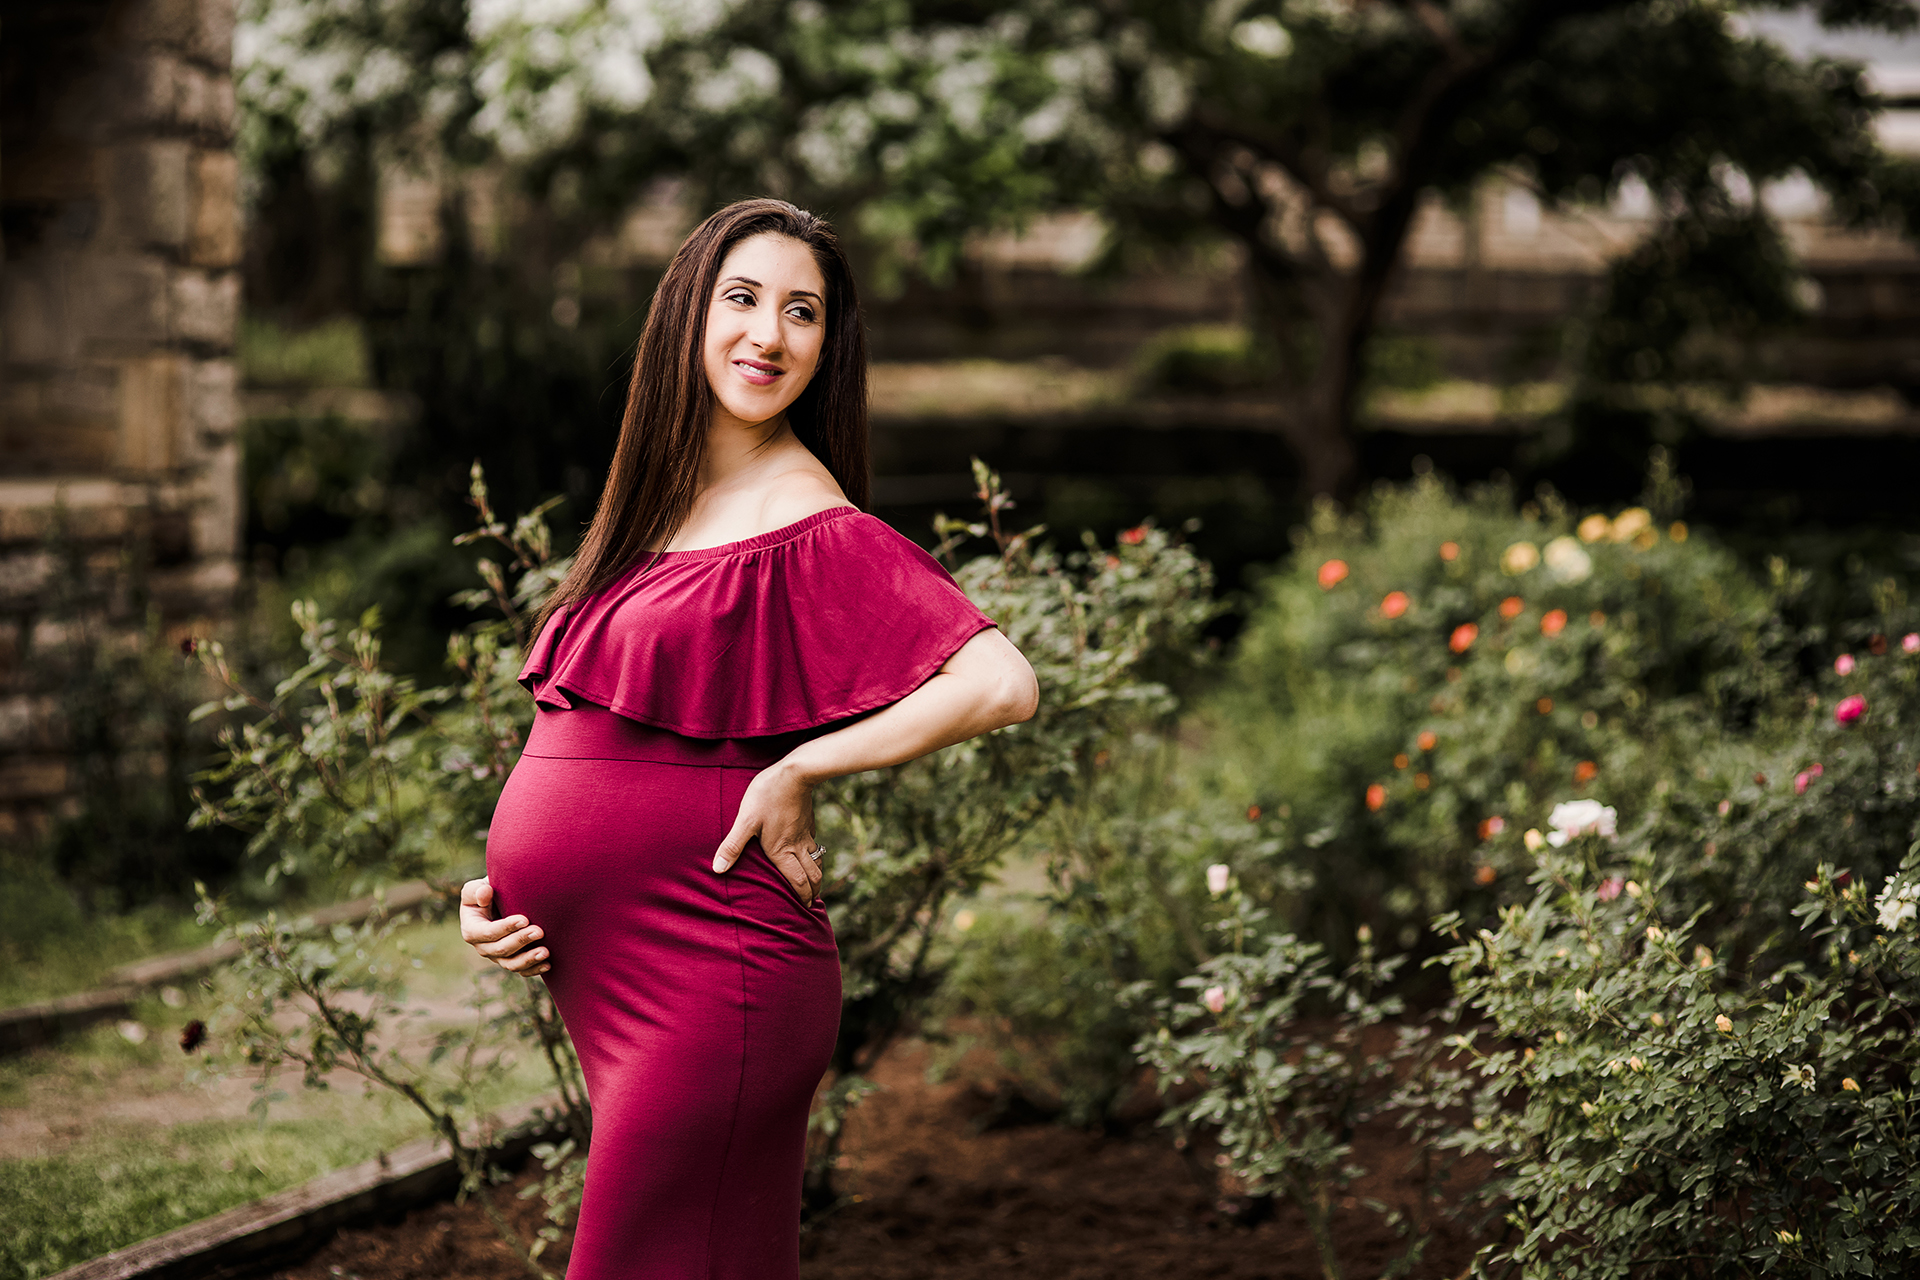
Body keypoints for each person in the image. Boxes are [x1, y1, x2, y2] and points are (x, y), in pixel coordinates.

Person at [457, 198, 1039, 1280]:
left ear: (830, 346)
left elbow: (1002, 681)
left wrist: (804, 764)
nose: (768, 334)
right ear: (689, 312)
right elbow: (596, 741)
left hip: (713, 976)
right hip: (618, 981)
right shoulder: (656, 506)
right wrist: (494, 891)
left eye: (803, 312)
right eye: (743, 298)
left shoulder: (806, 515)